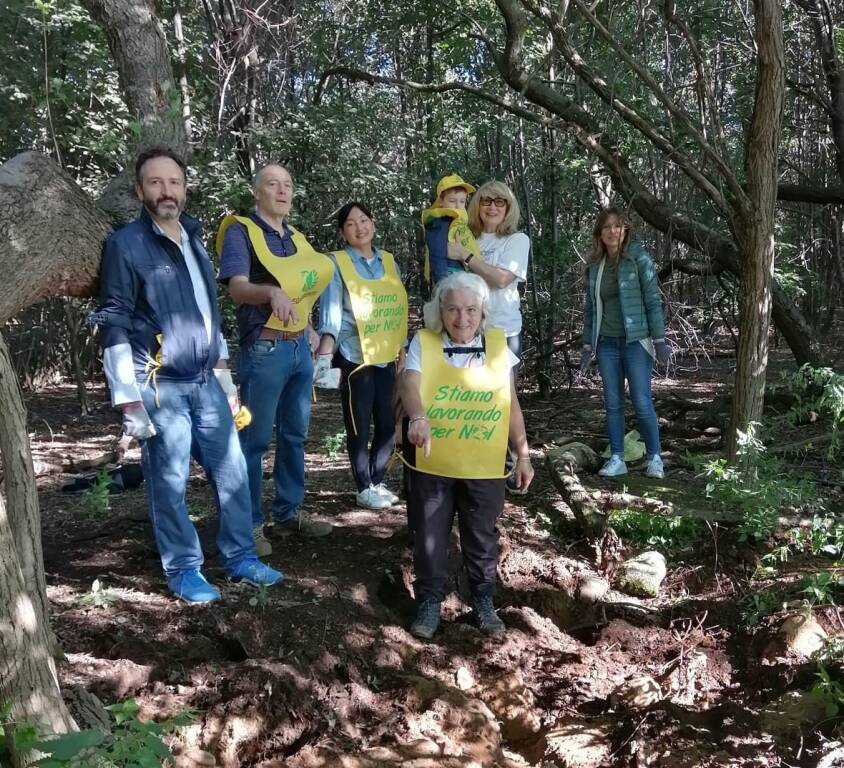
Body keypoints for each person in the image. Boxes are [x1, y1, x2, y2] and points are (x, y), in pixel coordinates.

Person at [90, 147, 282, 603]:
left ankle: (239, 558)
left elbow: (207, 313)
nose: (166, 191)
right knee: (170, 480)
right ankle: (183, 569)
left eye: (173, 182)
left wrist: (226, 380)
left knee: (232, 469)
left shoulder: (195, 238)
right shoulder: (126, 245)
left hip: (205, 380)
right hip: (160, 386)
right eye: (155, 183)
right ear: (140, 190)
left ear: (185, 188)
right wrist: (128, 399)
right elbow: (114, 317)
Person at [399, 272, 534, 640]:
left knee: (481, 534)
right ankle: (429, 602)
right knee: (429, 532)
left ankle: (484, 601)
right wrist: (418, 417)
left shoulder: (497, 346)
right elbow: (410, 383)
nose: (462, 318)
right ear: (439, 311)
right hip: (432, 459)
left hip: (484, 462)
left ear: (482, 311)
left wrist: (523, 454)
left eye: (471, 310)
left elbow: (512, 405)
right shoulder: (423, 343)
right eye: (453, 309)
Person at [217, 163, 335, 556]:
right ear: (257, 192)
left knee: (294, 436)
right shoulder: (240, 231)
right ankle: (248, 524)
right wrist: (269, 293)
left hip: (300, 347)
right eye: (272, 184)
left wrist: (311, 328)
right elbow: (236, 288)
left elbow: (301, 290)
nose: (282, 191)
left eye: (287, 185)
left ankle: (288, 512)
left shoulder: (297, 238)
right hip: (264, 350)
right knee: (253, 440)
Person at [316, 202, 408, 510]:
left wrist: (403, 347)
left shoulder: (390, 262)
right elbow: (330, 312)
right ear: (343, 232)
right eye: (352, 223)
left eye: (364, 220)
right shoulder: (337, 263)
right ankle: (363, 484)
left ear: (373, 223)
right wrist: (325, 355)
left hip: (385, 353)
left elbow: (398, 307)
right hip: (354, 354)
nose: (360, 227)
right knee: (359, 419)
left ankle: (378, 479)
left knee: (386, 418)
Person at [447, 180, 531, 493]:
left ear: (508, 208)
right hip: (466, 331)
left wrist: (466, 257)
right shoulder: (465, 234)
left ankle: (509, 468)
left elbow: (501, 279)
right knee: (470, 399)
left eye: (500, 203)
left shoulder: (516, 240)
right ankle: (472, 465)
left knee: (504, 399)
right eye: (486, 202)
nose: (492, 208)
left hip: (502, 331)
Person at [579, 207, 668, 480]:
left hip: (636, 342)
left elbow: (653, 301)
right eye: (606, 227)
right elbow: (591, 308)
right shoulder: (595, 265)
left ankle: (655, 458)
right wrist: (586, 345)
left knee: (641, 401)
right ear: (600, 233)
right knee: (613, 403)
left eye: (617, 226)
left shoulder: (639, 258)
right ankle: (617, 457)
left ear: (625, 229)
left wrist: (660, 339)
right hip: (607, 343)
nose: (612, 231)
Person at [421, 173, 481, 287]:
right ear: (441, 201)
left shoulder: (458, 220)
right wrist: (442, 281)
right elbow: (437, 251)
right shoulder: (440, 221)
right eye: (452, 201)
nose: (458, 206)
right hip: (449, 273)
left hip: (462, 272)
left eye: (462, 201)